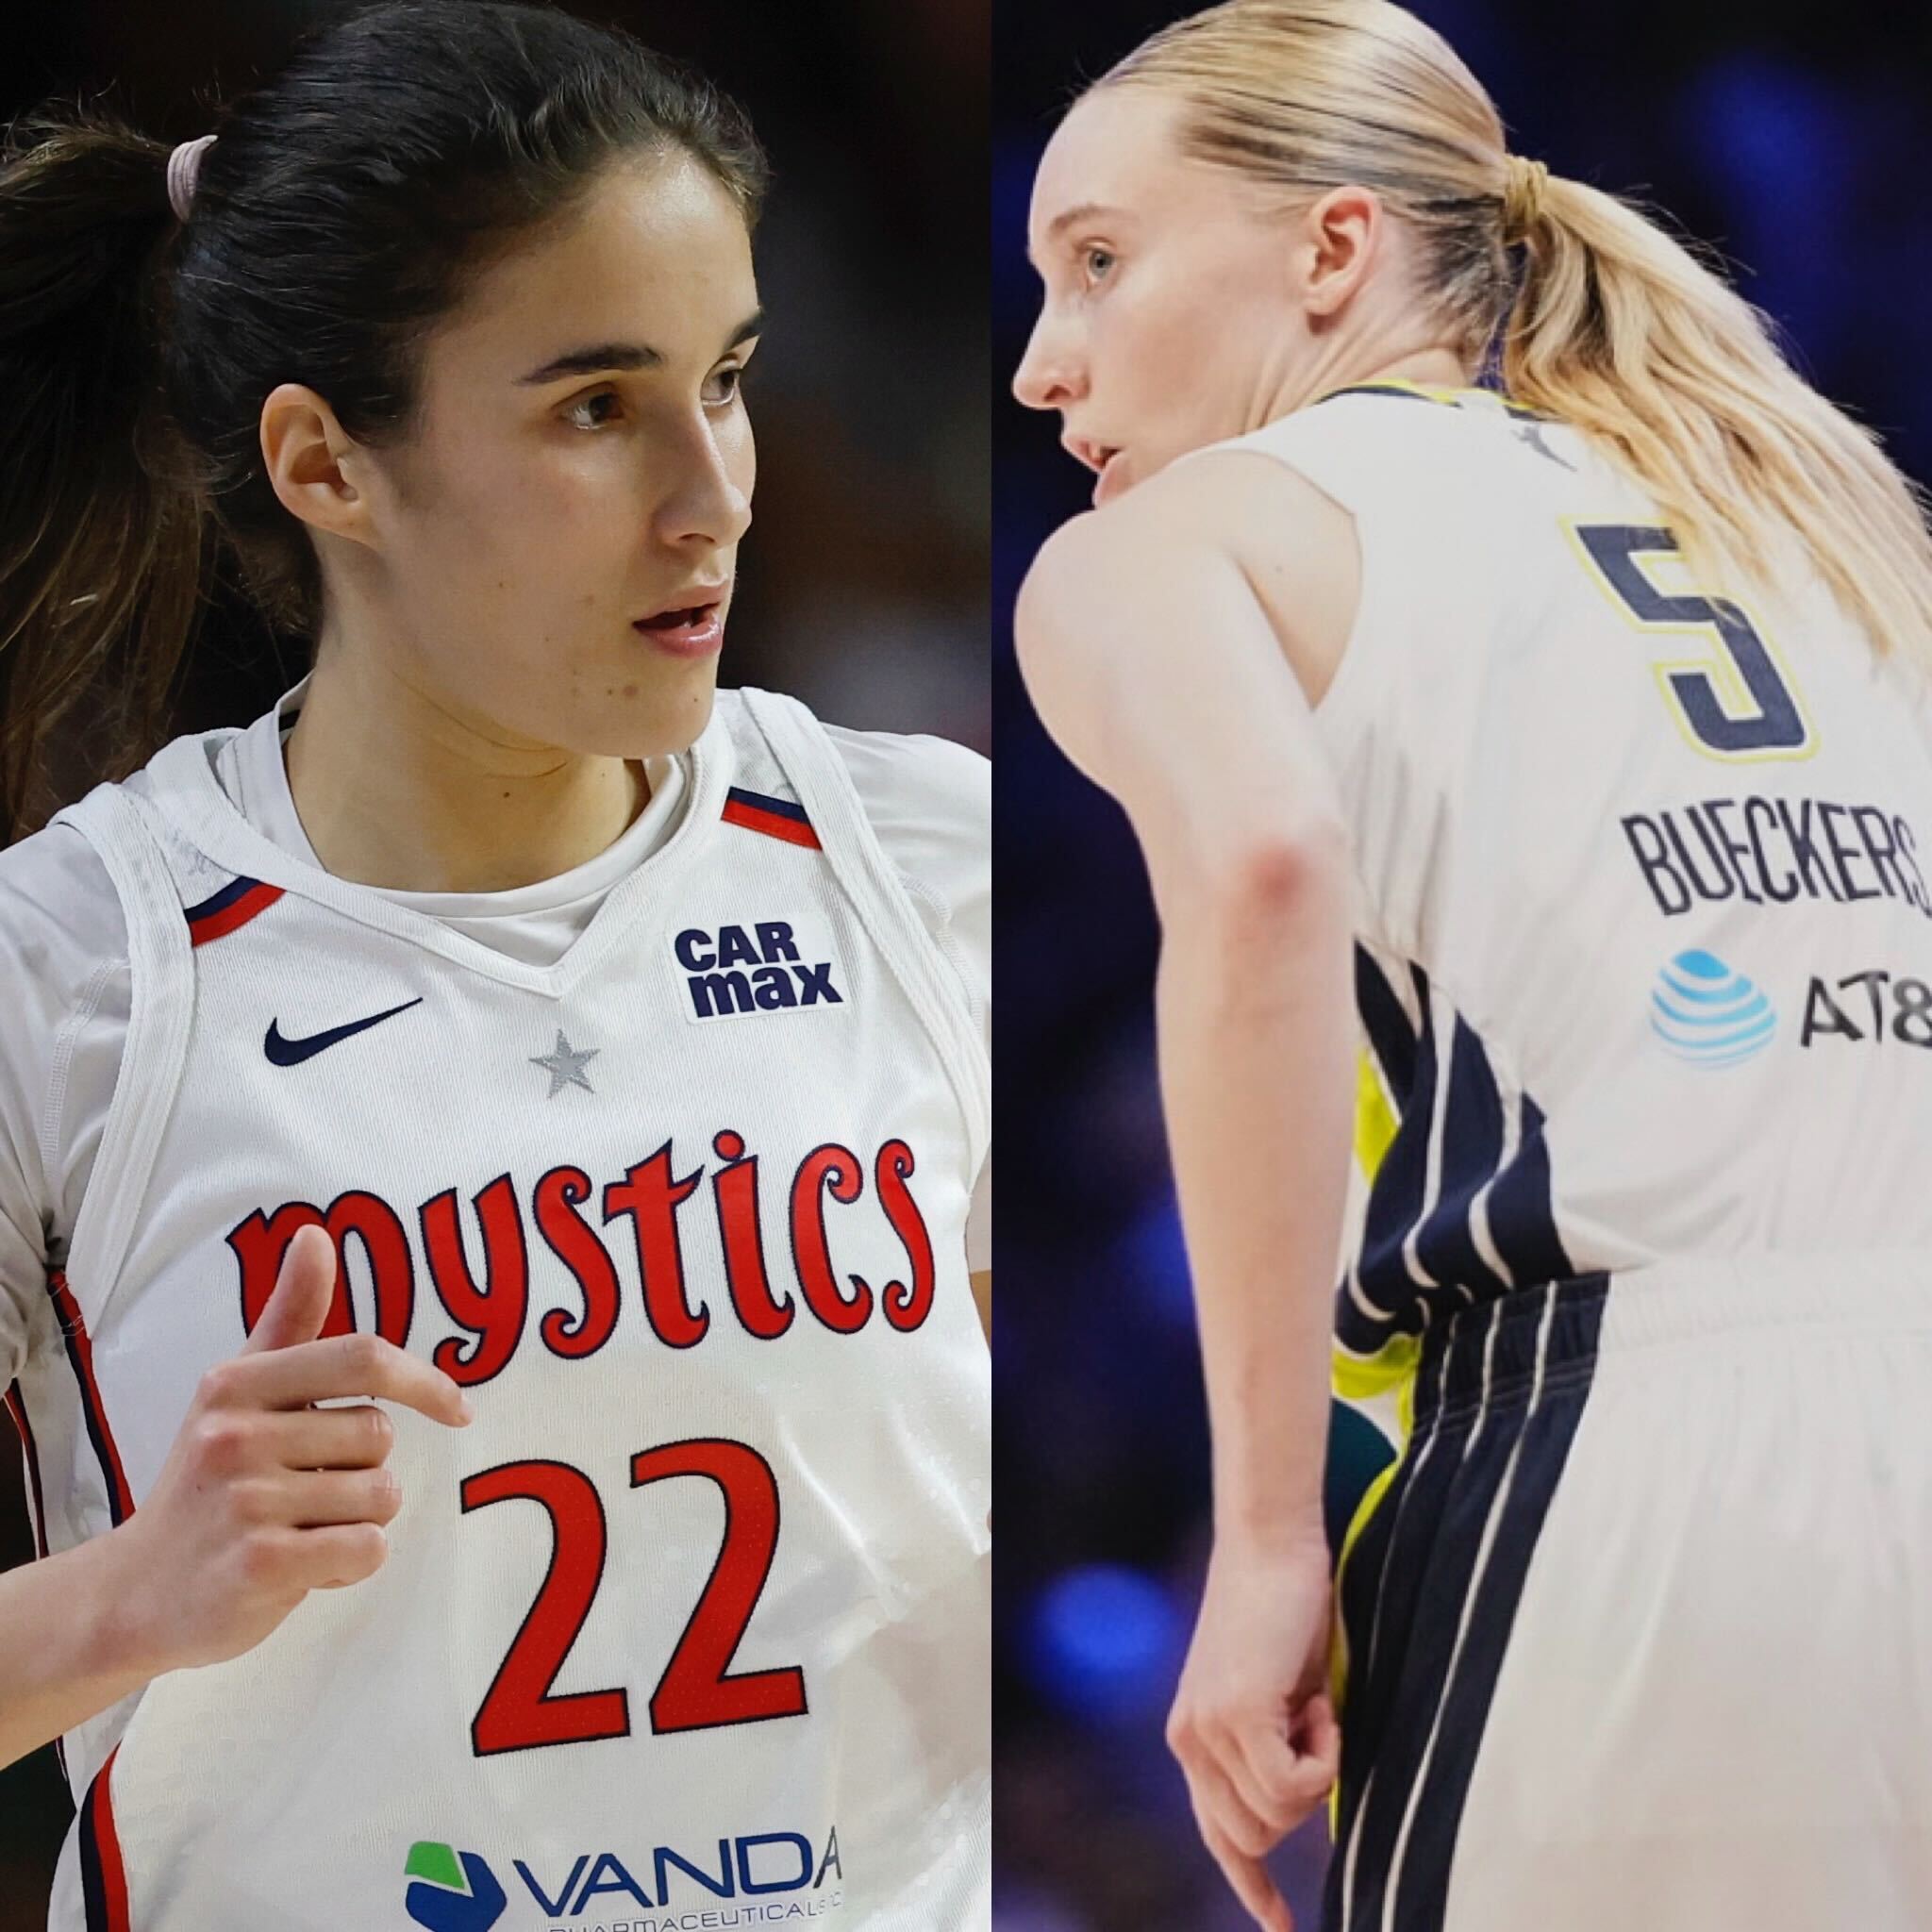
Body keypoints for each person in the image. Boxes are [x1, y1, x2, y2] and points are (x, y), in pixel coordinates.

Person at [0, 4, 991, 1927]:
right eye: (594, 408)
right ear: (325, 463)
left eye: (732, 378)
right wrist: (136, 1593)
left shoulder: (925, 856)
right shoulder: (76, 972)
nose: (711, 492)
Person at [1010, 2, 1932, 1929]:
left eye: (1098, 262)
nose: (1041, 364)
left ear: (1332, 251)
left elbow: (1262, 862)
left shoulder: (1175, 542)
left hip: (1617, 1461)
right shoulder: (1816, 515)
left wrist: (1263, 1542)